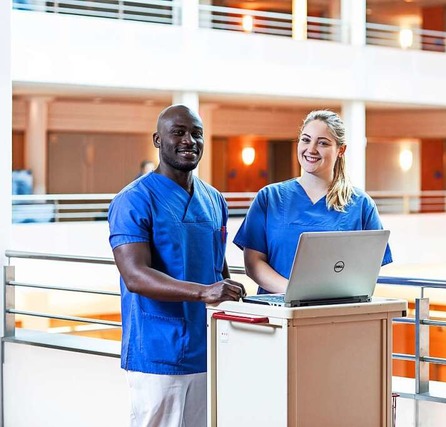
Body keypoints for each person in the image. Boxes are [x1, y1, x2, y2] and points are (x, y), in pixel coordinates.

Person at [108, 104, 246, 427]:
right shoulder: (134, 200)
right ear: (158, 140)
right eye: (179, 132)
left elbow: (217, 266)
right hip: (157, 355)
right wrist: (204, 293)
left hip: (208, 351)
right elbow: (135, 276)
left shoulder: (214, 200)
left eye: (197, 134)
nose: (190, 141)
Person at [233, 109, 392, 294]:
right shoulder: (270, 198)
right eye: (306, 140)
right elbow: (253, 263)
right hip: (279, 314)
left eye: (322, 143)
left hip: (335, 311)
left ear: (341, 150)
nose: (311, 149)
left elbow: (367, 268)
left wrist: (321, 300)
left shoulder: (361, 205)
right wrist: (293, 294)